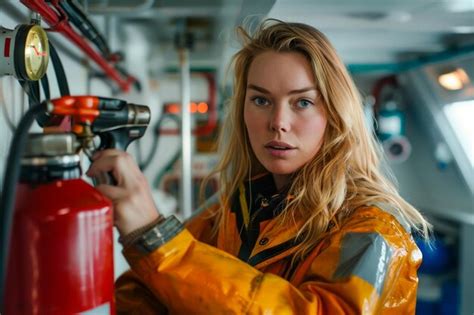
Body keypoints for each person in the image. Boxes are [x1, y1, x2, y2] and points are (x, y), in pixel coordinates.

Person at [87, 19, 431, 314]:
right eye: (261, 100)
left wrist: (154, 236)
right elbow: (144, 292)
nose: (278, 122)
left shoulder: (372, 233)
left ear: (335, 114)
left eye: (303, 102)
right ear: (242, 111)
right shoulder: (236, 211)